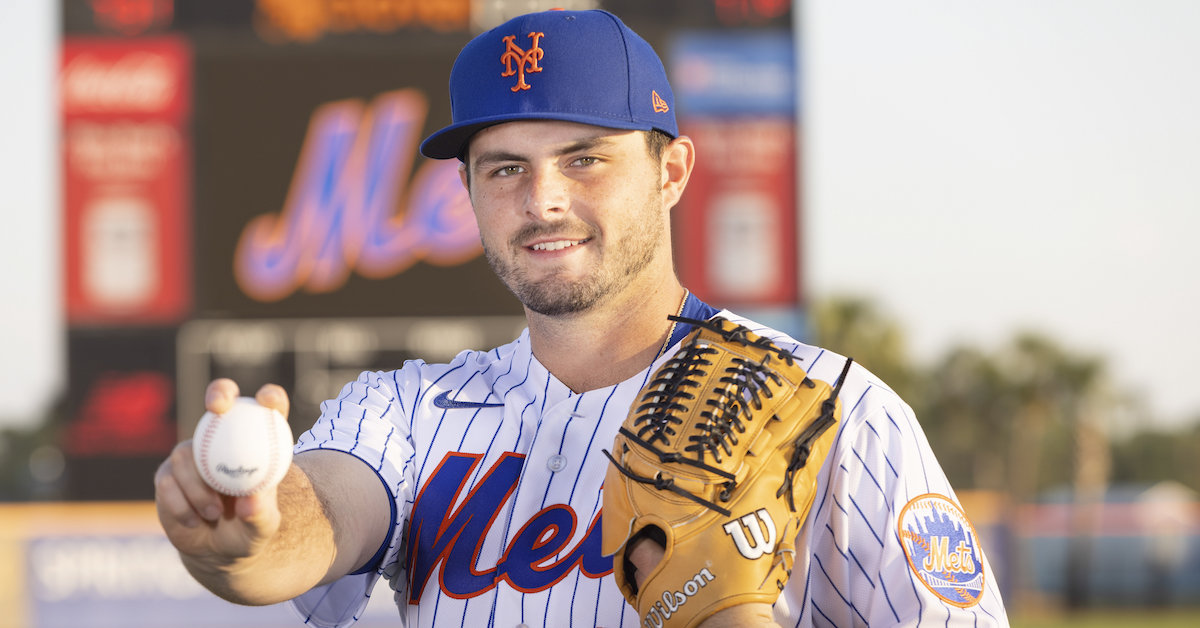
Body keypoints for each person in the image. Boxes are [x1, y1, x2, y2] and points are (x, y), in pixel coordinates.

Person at [155, 9, 1009, 627]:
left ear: (671, 171)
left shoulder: (832, 411)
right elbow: (316, 523)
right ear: (468, 194)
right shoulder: (408, 410)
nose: (543, 200)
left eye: (585, 158)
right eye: (503, 170)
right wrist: (238, 536)